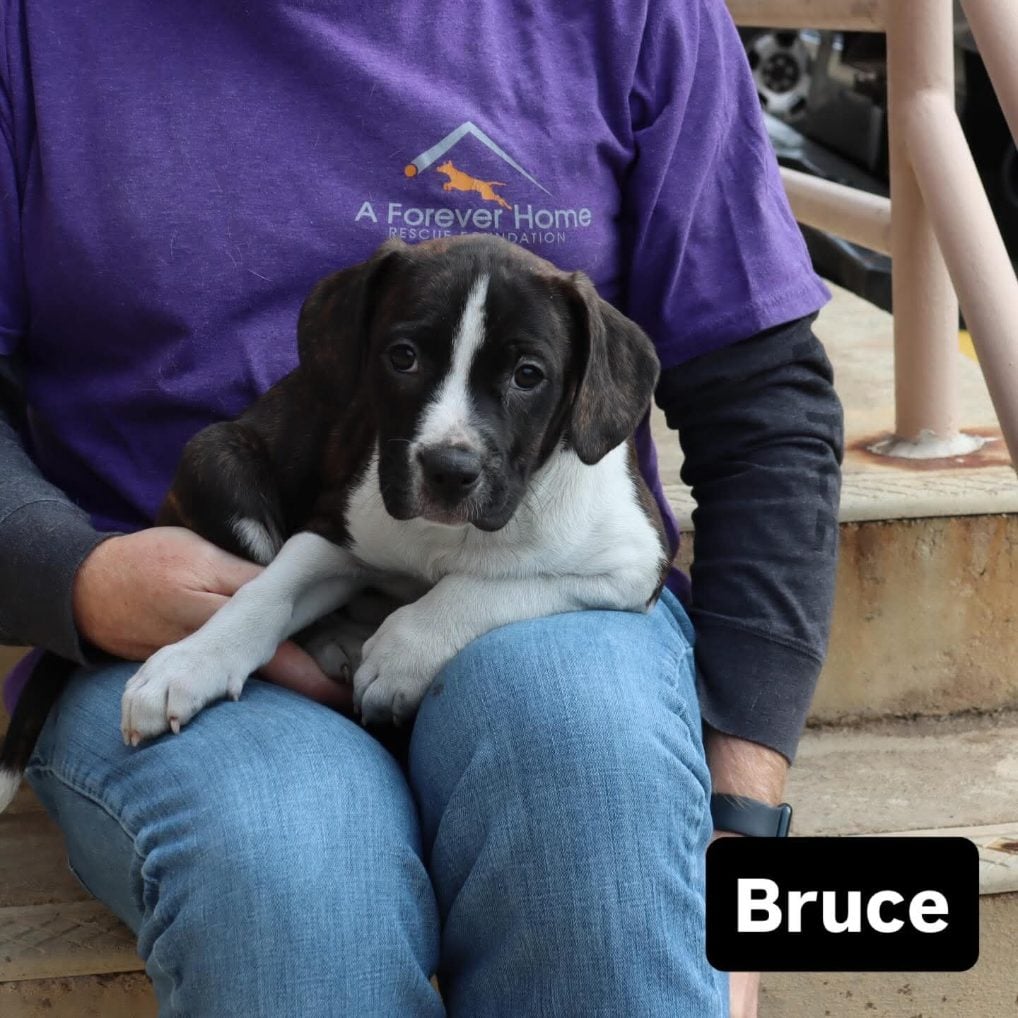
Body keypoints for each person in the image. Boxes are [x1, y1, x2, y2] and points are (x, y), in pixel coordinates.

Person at [0, 1, 842, 1015]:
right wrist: (75, 577)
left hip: (537, 593)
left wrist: (740, 834)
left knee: (596, 818)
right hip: (172, 602)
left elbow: (765, 408)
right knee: (288, 865)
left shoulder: (631, 16)